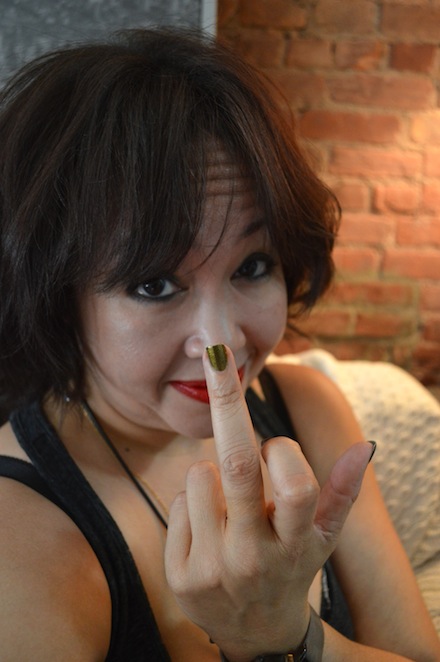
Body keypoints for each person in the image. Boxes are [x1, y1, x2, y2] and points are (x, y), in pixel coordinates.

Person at [0, 27, 438, 662]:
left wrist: (290, 637)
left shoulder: (305, 405)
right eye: (154, 284)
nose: (224, 342)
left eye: (252, 266)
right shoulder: (18, 529)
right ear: (58, 299)